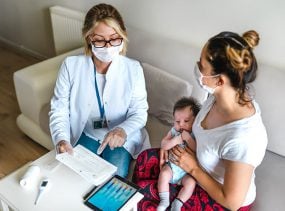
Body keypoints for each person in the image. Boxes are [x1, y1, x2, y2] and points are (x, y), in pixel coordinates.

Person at [133, 30, 267, 210]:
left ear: (219, 80)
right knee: (143, 160)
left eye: (201, 66)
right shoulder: (217, 97)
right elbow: (197, 133)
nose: (197, 68)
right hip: (194, 161)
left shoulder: (244, 138)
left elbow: (231, 201)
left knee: (142, 195)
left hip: (219, 196)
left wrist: (193, 167)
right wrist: (173, 143)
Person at [49, 3, 150, 178]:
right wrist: (62, 139)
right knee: (75, 177)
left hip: (120, 136)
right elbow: (59, 109)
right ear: (89, 38)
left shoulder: (133, 69)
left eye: (114, 38)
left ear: (122, 36)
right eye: (100, 40)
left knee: (114, 178)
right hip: (87, 132)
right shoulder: (71, 66)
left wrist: (123, 130)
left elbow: (139, 112)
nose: (108, 45)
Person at [157, 97, 201, 211]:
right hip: (172, 167)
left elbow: (197, 149)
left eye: (186, 121)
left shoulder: (195, 134)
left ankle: (178, 203)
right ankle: (164, 200)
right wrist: (174, 141)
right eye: (177, 121)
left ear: (195, 120)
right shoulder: (174, 131)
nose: (181, 124)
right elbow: (163, 144)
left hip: (186, 172)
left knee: (191, 183)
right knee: (163, 174)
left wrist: (188, 139)